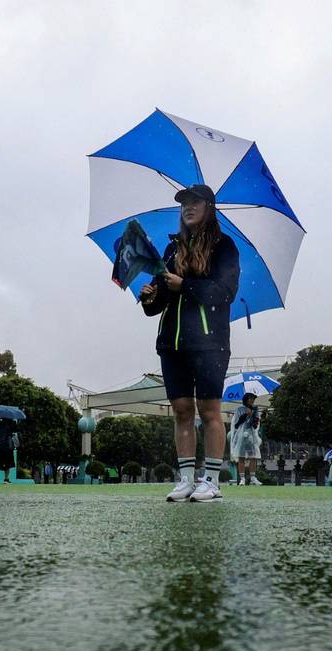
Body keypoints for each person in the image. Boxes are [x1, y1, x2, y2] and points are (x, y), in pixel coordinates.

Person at [140, 184, 240, 503]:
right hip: (172, 342)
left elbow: (224, 293)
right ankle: (185, 479)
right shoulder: (172, 250)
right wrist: (151, 297)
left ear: (210, 207)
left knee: (208, 410)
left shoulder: (225, 247)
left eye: (195, 202)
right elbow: (159, 304)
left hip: (211, 343)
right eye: (184, 203)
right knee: (181, 410)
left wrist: (186, 285)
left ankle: (210, 480)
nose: (188, 207)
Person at [229, 392, 262, 485]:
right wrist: (244, 416)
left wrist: (255, 420)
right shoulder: (239, 409)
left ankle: (253, 478)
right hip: (241, 436)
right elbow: (236, 424)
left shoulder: (255, 409)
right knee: (241, 457)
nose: (252, 400)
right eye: (250, 398)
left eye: (253, 398)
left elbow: (256, 426)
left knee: (253, 457)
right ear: (246, 399)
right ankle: (242, 478)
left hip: (251, 435)